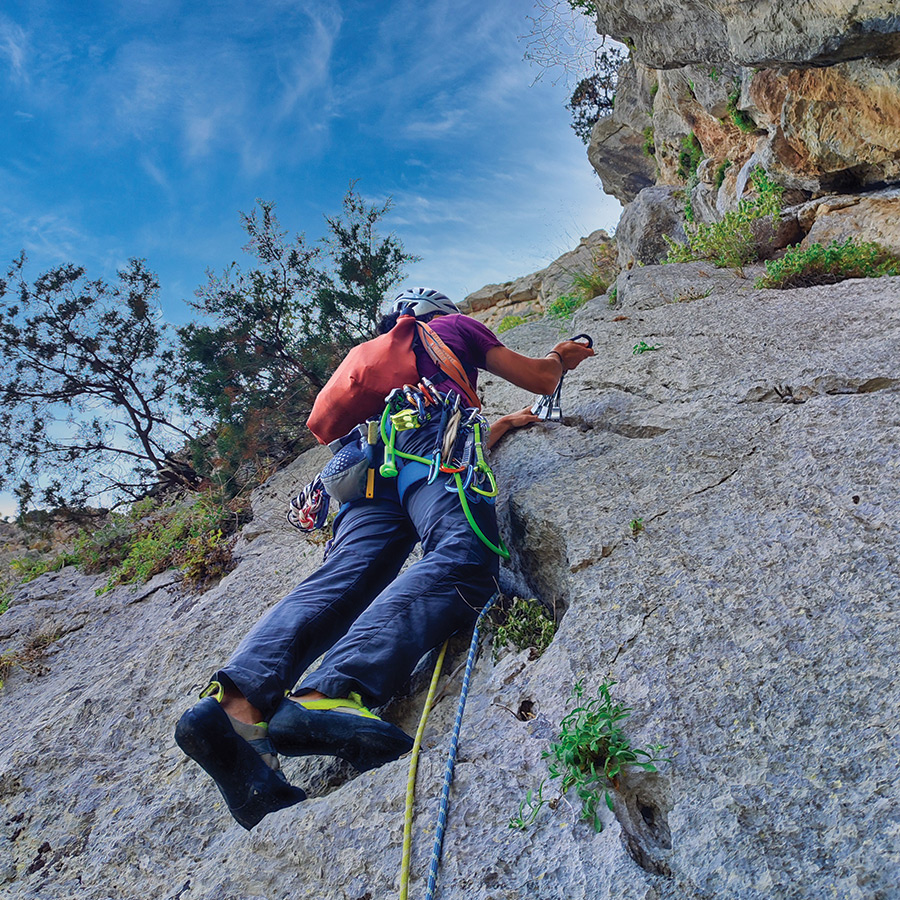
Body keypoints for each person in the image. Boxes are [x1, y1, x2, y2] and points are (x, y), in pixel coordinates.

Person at [175, 287, 594, 829]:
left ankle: (235, 708)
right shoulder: (454, 331)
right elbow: (538, 381)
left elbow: (411, 443)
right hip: (427, 448)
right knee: (464, 558)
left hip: (365, 476)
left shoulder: (375, 374)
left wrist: (504, 424)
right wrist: (563, 355)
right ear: (440, 313)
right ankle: (331, 693)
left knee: (342, 580)